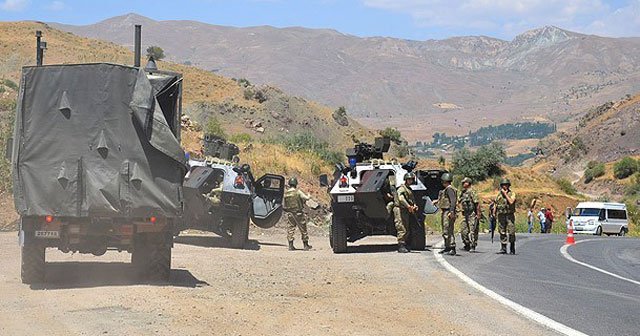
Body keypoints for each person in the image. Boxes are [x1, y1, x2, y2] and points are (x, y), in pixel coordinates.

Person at [283, 177, 312, 251]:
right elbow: (306, 198)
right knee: (303, 229)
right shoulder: (298, 192)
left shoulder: (286, 194)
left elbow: (284, 205)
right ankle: (305, 245)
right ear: (295, 184)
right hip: (298, 213)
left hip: (290, 213)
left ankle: (290, 245)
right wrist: (309, 195)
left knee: (290, 229)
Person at [433, 173, 457, 256]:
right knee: (445, 230)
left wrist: (451, 211)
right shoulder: (446, 190)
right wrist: (437, 201)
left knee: (448, 230)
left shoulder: (450, 189)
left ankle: (452, 247)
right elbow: (445, 199)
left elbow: (453, 201)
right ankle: (447, 247)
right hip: (445, 211)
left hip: (448, 211)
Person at [396, 172, 419, 253]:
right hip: (400, 209)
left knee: (406, 227)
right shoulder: (402, 188)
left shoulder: (409, 189)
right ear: (405, 180)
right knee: (401, 227)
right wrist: (408, 206)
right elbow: (401, 198)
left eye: (411, 179)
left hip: (406, 210)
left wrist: (414, 205)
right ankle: (401, 245)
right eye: (409, 179)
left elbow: (412, 199)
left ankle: (405, 244)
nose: (410, 181)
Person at [493, 178, 517, 254]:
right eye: (503, 185)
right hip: (501, 215)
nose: (504, 186)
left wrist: (505, 194)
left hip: (509, 215)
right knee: (502, 232)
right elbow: (495, 204)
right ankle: (503, 248)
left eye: (506, 185)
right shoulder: (498, 195)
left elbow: (511, 202)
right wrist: (494, 213)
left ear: (509, 185)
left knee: (511, 232)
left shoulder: (512, 194)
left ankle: (512, 248)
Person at [459, 177, 481, 252]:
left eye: (464, 182)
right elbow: (459, 201)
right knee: (463, 230)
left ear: (468, 183)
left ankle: (473, 245)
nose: (462, 184)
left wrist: (478, 214)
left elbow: (477, 203)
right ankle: (466, 244)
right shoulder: (463, 192)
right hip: (465, 214)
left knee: (473, 230)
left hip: (472, 213)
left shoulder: (472, 191)